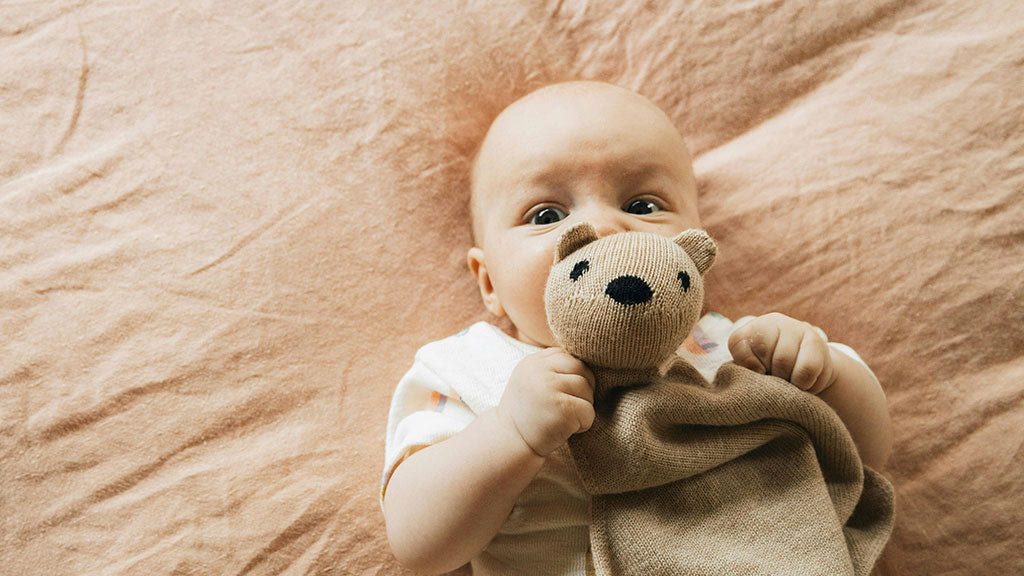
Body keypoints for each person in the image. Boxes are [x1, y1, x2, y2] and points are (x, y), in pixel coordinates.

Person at [380, 80, 893, 576]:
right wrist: (510, 432)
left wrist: (823, 376)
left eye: (642, 206)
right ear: (488, 280)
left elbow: (866, 454)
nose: (605, 229)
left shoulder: (727, 346)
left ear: (698, 244)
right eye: (546, 213)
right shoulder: (471, 371)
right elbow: (419, 543)